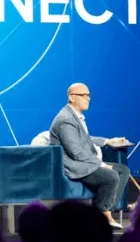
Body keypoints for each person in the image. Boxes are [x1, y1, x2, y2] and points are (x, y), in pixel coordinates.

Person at [49, 83, 131, 230]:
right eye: (83, 95)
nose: (88, 99)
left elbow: (85, 138)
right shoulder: (65, 119)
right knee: (111, 176)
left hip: (84, 162)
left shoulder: (75, 117)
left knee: (123, 170)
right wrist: (99, 163)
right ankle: (102, 215)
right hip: (73, 165)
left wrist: (108, 141)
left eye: (89, 96)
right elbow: (76, 151)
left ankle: (103, 211)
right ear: (72, 98)